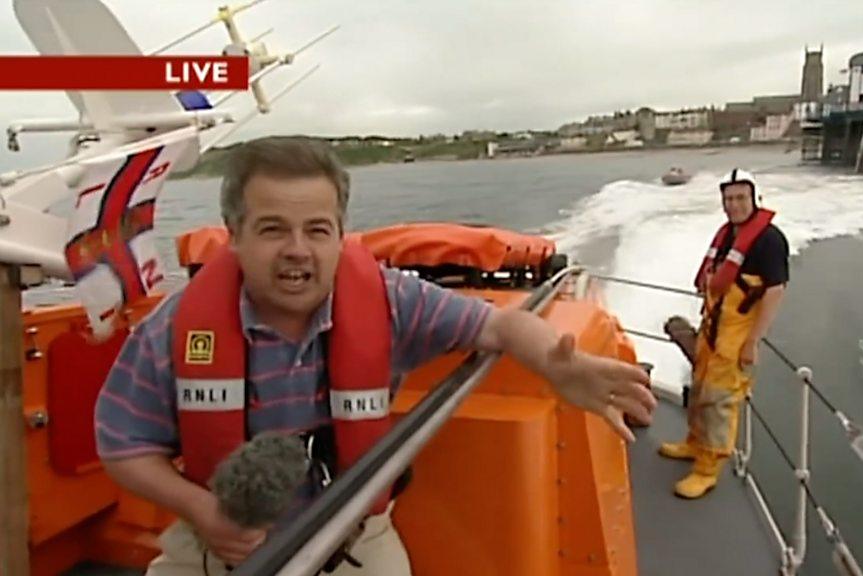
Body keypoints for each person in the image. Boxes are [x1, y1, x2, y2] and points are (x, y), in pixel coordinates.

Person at [93, 136, 657, 576]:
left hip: (356, 541)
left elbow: (502, 325)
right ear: (234, 237)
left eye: (317, 230)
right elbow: (123, 447)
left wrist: (557, 364)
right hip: (217, 542)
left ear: (341, 237)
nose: (296, 249)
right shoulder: (172, 330)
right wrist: (201, 512)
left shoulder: (390, 301)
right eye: (272, 230)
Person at [658, 168, 788, 499]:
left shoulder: (769, 241)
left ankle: (707, 469)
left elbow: (775, 291)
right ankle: (694, 443)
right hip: (712, 329)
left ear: (754, 198)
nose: (734, 205)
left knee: (719, 401)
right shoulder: (728, 234)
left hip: (735, 338)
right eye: (728, 199)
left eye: (740, 198)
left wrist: (752, 341)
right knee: (700, 389)